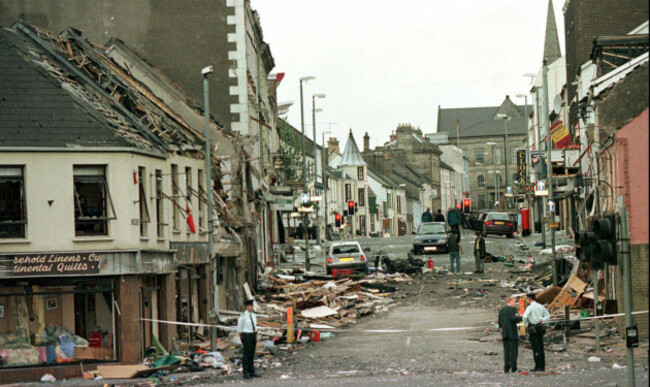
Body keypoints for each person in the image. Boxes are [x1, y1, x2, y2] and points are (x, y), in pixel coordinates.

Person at [522, 292, 551, 372]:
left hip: (533, 328)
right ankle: (542, 366)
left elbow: (524, 316)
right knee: (541, 346)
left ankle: (537, 366)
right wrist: (542, 319)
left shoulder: (530, 307)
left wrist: (526, 325)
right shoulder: (540, 306)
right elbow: (548, 315)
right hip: (541, 327)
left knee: (536, 348)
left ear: (529, 299)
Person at [237, 299, 261, 379]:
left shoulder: (253, 315)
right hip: (247, 335)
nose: (252, 308)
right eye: (251, 306)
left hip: (253, 334)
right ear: (247, 307)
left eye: (252, 306)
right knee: (246, 354)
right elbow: (239, 326)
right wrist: (242, 335)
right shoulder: (243, 315)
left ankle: (252, 371)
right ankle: (246, 372)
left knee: (252, 354)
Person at [498, 298, 522, 373]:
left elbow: (499, 322)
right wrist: (522, 318)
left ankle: (506, 367)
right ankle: (513, 367)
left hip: (505, 333)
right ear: (510, 301)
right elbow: (514, 319)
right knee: (513, 351)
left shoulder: (501, 310)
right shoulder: (511, 309)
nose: (515, 304)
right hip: (512, 333)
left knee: (506, 350)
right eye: (515, 302)